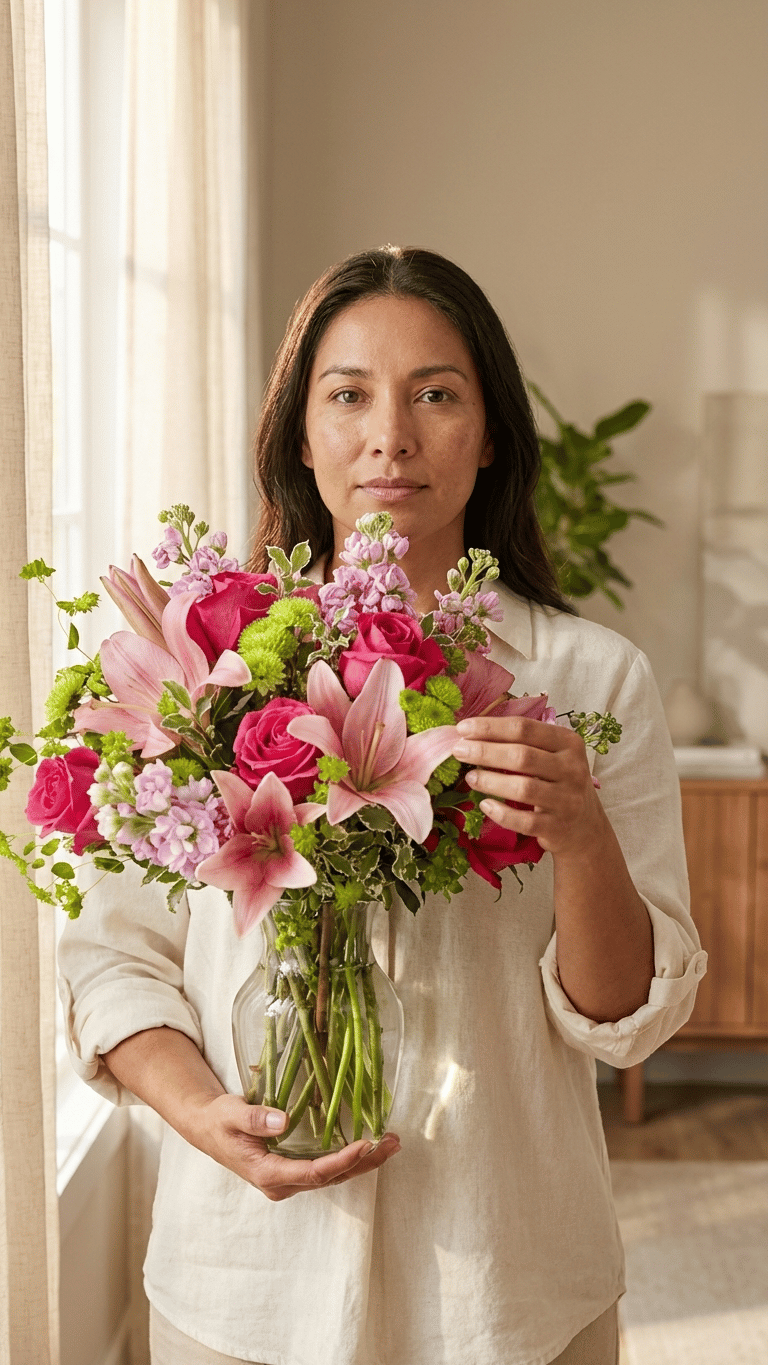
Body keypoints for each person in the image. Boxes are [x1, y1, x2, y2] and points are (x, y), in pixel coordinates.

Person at [59, 246, 707, 1365]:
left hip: (509, 1286)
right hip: (244, 1283)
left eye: (437, 395)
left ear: (491, 431)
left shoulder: (594, 682)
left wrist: (585, 835)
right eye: (349, 394)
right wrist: (201, 1115)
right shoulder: (200, 664)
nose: (390, 437)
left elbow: (624, 1020)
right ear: (299, 436)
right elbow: (113, 956)